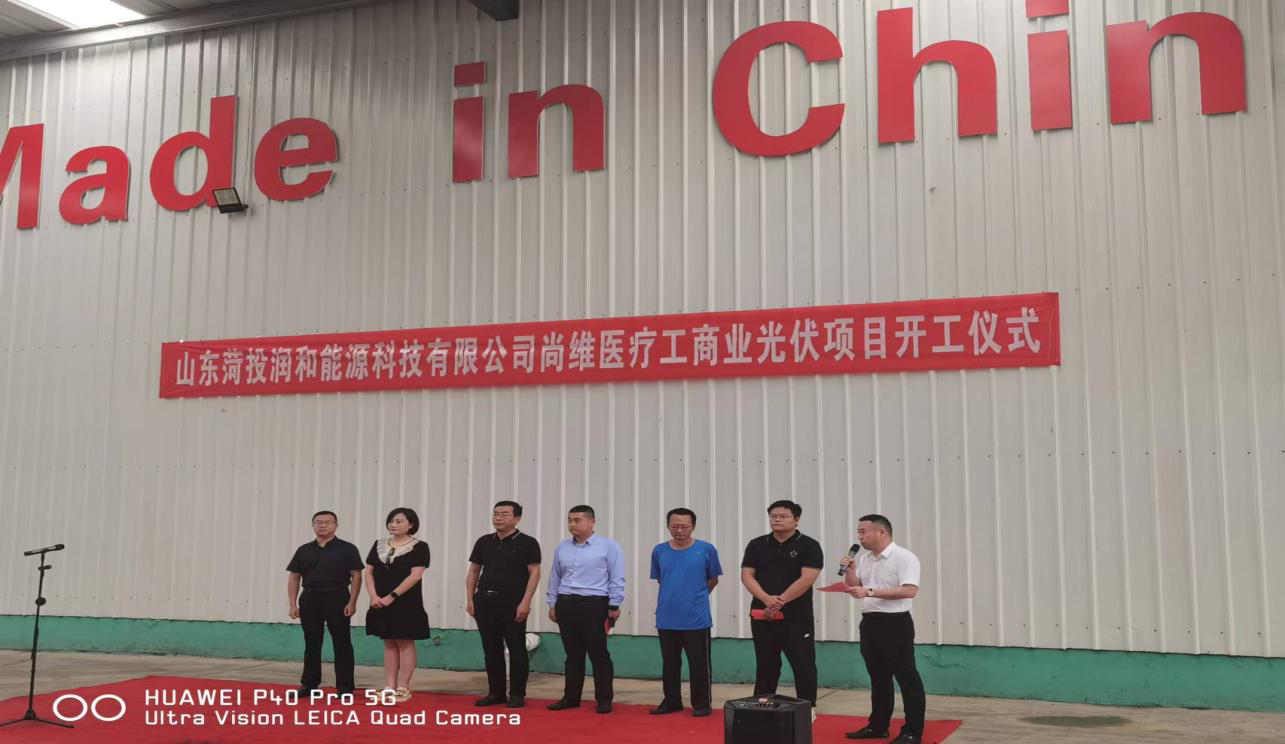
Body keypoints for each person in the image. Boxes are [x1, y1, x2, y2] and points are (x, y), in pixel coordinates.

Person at [841, 514, 925, 743]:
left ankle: (912, 731)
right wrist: (850, 570)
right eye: (858, 532)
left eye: (863, 532)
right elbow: (855, 587)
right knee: (878, 677)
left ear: (882, 532)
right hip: (870, 622)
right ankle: (878, 725)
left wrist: (870, 591)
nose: (859, 537)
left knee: (907, 677)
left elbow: (909, 590)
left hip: (895, 623)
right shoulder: (866, 558)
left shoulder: (904, 557)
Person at [740, 499, 823, 708]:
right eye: (773, 516)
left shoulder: (809, 545)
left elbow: (807, 578)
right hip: (762, 614)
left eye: (783, 516)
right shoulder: (757, 544)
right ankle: (762, 705)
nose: (777, 519)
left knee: (803, 664)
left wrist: (780, 601)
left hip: (797, 616)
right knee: (766, 664)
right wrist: (766, 599)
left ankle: (806, 707)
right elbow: (747, 575)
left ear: (796, 520)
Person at [545, 505, 626, 714]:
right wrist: (552, 603)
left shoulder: (608, 546)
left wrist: (614, 605)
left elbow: (617, 577)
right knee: (573, 654)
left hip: (594, 604)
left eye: (577, 520)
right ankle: (571, 697)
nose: (572, 524)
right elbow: (555, 577)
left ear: (591, 522)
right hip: (566, 603)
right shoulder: (562, 547)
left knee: (598, 654)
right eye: (570, 520)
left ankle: (604, 699)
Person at [466, 500, 542, 709]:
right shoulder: (484, 542)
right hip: (485, 600)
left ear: (517, 519)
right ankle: (496, 692)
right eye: (495, 514)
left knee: (516, 648)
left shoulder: (528, 543)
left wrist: (525, 602)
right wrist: (470, 599)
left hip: (513, 602)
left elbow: (534, 573)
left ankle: (517, 694)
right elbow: (474, 571)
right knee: (491, 649)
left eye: (504, 514)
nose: (498, 518)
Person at [649, 507, 722, 717]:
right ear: (668, 526)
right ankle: (671, 701)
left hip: (696, 618)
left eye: (684, 526)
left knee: (699, 664)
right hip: (666, 617)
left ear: (693, 526)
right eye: (675, 526)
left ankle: (702, 703)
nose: (679, 530)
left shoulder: (706, 549)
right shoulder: (659, 551)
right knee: (670, 664)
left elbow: (713, 579)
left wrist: (695, 597)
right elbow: (662, 579)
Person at [286, 510, 364, 695]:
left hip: (337, 596)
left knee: (342, 641)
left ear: (336, 525)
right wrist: (293, 604)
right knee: (311, 642)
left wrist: (352, 602)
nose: (322, 525)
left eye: (328, 522)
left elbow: (356, 575)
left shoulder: (347, 549)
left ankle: (345, 686)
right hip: (310, 597)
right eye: (318, 522)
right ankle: (309, 684)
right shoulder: (304, 550)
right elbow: (294, 576)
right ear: (313, 525)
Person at [364, 507, 431, 703]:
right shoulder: (378, 544)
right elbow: (369, 572)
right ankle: (390, 686)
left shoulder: (420, 546)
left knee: (404, 642)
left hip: (406, 601)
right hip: (379, 602)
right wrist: (374, 596)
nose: (393, 524)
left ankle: (403, 687)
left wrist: (392, 596)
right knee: (388, 642)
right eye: (391, 521)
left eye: (399, 521)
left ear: (411, 524)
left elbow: (415, 576)